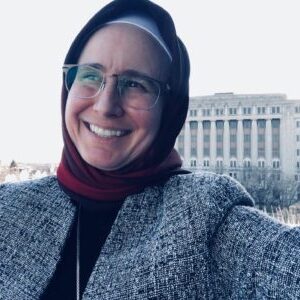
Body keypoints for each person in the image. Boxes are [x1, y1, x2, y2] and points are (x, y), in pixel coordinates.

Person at [0, 0, 299, 299]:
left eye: (135, 84)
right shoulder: (9, 207)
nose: (105, 106)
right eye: (91, 75)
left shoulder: (206, 216)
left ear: (169, 111)